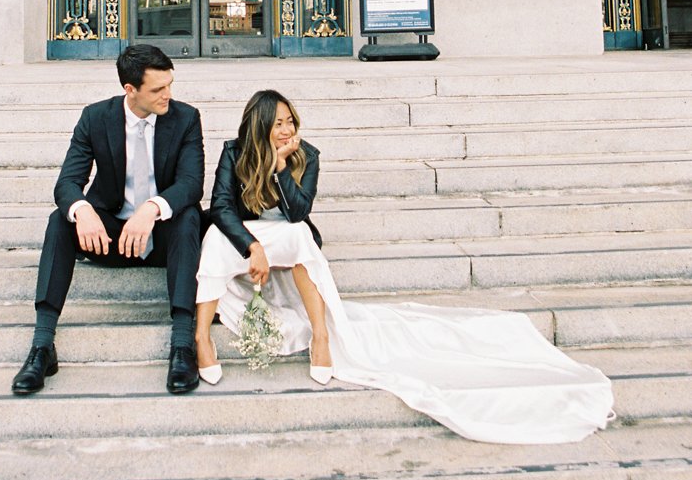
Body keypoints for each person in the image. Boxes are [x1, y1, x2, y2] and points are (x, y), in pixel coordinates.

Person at [195, 89, 616, 445]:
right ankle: (200, 339)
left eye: (290, 121)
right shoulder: (235, 153)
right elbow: (221, 208)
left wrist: (283, 168)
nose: (287, 130)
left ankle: (322, 336)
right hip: (246, 237)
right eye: (278, 123)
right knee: (213, 237)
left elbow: (299, 213)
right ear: (259, 125)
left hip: (287, 235)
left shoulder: (308, 156)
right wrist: (252, 246)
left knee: (302, 238)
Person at [11, 44, 204, 396]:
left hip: (163, 239)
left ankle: (182, 345)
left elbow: (191, 184)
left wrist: (152, 208)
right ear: (130, 90)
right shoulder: (96, 117)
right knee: (60, 220)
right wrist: (82, 210)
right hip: (110, 237)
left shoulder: (185, 118)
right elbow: (68, 182)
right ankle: (42, 346)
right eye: (158, 89)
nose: (168, 95)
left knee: (189, 216)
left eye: (170, 85)